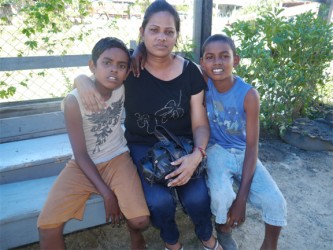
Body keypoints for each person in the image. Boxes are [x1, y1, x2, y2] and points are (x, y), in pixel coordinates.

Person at [74, 2, 223, 250]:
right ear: (142, 32)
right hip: (142, 145)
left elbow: (200, 123)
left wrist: (197, 155)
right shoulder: (130, 69)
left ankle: (207, 238)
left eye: (169, 31)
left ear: (177, 36)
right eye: (154, 30)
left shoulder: (191, 73)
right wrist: (80, 80)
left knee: (198, 198)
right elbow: (99, 75)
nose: (161, 37)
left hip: (182, 146)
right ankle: (172, 243)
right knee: (158, 202)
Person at [37, 37, 150, 250]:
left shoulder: (122, 87)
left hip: (117, 158)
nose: (114, 70)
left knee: (140, 221)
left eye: (121, 66)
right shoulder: (74, 100)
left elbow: (141, 53)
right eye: (106, 63)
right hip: (83, 164)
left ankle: (136, 237)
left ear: (127, 72)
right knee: (47, 227)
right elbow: (80, 154)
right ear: (92, 65)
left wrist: (140, 46)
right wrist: (107, 194)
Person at [200, 34, 287, 250]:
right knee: (221, 195)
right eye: (210, 57)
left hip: (243, 152)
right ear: (203, 63)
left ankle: (269, 245)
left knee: (276, 202)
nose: (217, 63)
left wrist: (242, 199)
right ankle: (223, 230)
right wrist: (139, 53)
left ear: (235, 60)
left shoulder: (248, 95)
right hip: (216, 150)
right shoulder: (203, 80)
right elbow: (173, 60)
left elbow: (251, 146)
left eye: (224, 56)